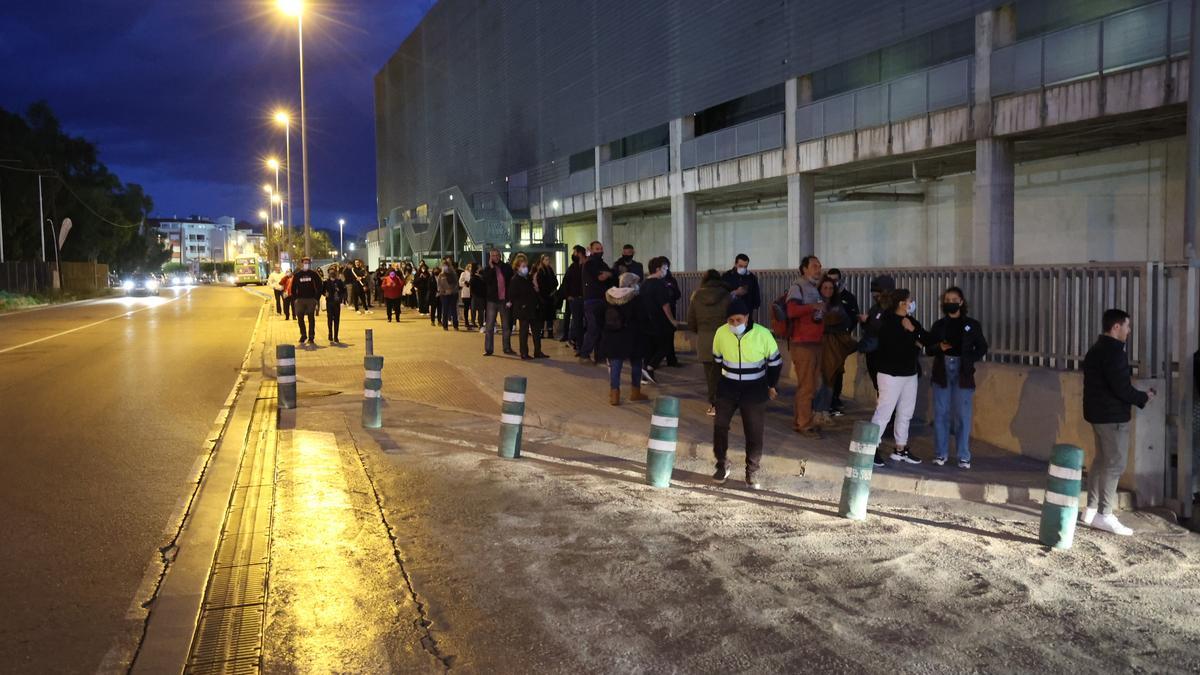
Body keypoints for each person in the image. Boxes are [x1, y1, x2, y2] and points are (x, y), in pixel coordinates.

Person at [1081, 309, 1154, 536]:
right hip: (1112, 418)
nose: (1129, 331)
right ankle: (1105, 514)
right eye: (1127, 326)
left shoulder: (1095, 349)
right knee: (1115, 464)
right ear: (1116, 327)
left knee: (1101, 461)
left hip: (1097, 415)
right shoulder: (1114, 353)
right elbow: (1121, 388)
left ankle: (1091, 510)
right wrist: (1144, 397)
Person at [712, 298, 783, 491]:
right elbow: (716, 361)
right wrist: (714, 393)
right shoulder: (720, 333)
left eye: (738, 320)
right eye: (731, 321)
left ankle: (752, 471)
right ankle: (721, 464)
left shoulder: (763, 334)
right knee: (720, 426)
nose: (735, 324)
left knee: (753, 431)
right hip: (728, 386)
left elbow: (775, 363)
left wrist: (771, 385)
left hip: (755, 388)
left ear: (747, 317)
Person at [869, 288, 934, 467]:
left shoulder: (910, 321)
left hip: (909, 373)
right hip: (890, 374)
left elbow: (926, 339)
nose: (912, 303)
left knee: (905, 413)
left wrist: (913, 332)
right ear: (901, 303)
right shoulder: (888, 322)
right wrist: (915, 341)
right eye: (909, 300)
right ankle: (870, 448)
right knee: (884, 412)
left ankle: (900, 448)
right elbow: (899, 347)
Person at [926, 287, 989, 469]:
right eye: (947, 299)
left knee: (962, 415)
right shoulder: (939, 325)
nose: (950, 302)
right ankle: (941, 453)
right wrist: (939, 347)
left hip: (963, 372)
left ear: (961, 302)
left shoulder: (972, 324)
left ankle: (963, 455)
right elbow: (929, 348)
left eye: (954, 299)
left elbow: (982, 347)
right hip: (942, 371)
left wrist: (969, 359)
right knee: (941, 413)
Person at [784, 255, 826, 439]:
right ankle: (804, 424)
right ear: (804, 269)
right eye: (815, 266)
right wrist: (813, 307)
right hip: (802, 342)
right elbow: (792, 311)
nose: (819, 269)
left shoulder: (812, 288)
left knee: (811, 383)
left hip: (814, 341)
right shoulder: (798, 286)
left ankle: (802, 420)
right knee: (807, 385)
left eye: (820, 266)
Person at [814, 276, 858, 428]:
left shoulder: (837, 304)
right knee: (821, 379)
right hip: (819, 346)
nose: (828, 291)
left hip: (834, 347)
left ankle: (825, 410)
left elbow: (846, 321)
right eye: (825, 288)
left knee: (830, 378)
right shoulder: (815, 303)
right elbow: (816, 324)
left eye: (831, 288)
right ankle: (817, 411)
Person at [687, 269, 731, 416]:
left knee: (710, 375)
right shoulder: (726, 295)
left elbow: (691, 321)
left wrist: (699, 331)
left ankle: (715, 405)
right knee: (725, 373)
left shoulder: (696, 296)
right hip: (724, 338)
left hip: (705, 339)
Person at [602, 272, 650, 405]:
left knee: (616, 365)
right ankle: (635, 392)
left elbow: (602, 315)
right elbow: (642, 317)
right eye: (636, 282)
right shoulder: (636, 298)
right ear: (631, 284)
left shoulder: (609, 297)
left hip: (613, 336)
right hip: (633, 336)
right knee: (636, 363)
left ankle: (614, 395)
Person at [825, 267, 860, 415]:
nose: (833, 283)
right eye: (830, 280)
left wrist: (846, 330)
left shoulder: (848, 297)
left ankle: (835, 398)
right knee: (827, 370)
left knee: (838, 369)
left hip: (841, 339)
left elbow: (854, 316)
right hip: (827, 340)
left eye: (835, 280)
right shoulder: (824, 297)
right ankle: (827, 400)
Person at [639, 257, 675, 384]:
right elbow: (665, 304)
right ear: (658, 269)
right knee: (665, 346)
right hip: (659, 320)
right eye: (665, 268)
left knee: (650, 347)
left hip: (646, 320)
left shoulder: (644, 284)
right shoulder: (660, 284)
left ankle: (646, 375)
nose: (666, 271)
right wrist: (672, 320)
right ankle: (650, 367)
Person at [579, 240, 614, 364]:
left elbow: (609, 276)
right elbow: (601, 277)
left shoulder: (602, 264)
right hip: (592, 301)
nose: (599, 251)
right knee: (593, 329)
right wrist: (608, 274)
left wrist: (608, 274)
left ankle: (600, 356)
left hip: (603, 300)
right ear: (591, 250)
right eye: (597, 249)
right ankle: (584, 355)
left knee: (602, 329)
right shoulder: (589, 264)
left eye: (601, 249)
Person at [508, 254, 548, 359]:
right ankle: (524, 353)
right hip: (523, 309)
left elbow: (534, 291)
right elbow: (513, 295)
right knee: (524, 332)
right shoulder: (515, 280)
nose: (525, 268)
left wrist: (535, 287)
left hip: (532, 308)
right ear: (517, 267)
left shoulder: (528, 278)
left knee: (536, 331)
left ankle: (538, 351)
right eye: (522, 266)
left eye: (525, 266)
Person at [483, 248, 516, 356]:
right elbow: (487, 281)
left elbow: (511, 282)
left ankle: (507, 348)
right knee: (489, 326)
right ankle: (488, 349)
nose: (495, 257)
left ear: (500, 256)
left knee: (506, 326)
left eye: (497, 255)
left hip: (504, 300)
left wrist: (510, 298)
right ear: (490, 257)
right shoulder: (487, 269)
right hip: (492, 301)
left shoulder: (506, 267)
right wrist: (492, 268)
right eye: (493, 255)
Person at [290, 256, 322, 347]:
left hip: (311, 299)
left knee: (311, 318)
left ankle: (311, 337)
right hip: (300, 300)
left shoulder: (313, 274)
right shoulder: (297, 275)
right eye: (304, 262)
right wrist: (295, 298)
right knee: (300, 318)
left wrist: (316, 298)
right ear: (301, 263)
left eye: (307, 263)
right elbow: (293, 288)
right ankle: (303, 335)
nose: (306, 264)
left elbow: (320, 286)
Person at [721, 253, 761, 321]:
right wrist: (735, 293)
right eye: (740, 266)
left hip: (747, 310)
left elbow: (756, 294)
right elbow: (721, 294)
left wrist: (755, 305)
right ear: (735, 264)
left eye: (745, 267)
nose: (743, 268)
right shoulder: (726, 276)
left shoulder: (751, 277)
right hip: (731, 311)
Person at [561, 245, 587, 345]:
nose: (573, 254)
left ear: (580, 253)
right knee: (577, 323)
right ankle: (579, 345)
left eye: (574, 252)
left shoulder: (587, 265)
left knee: (587, 323)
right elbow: (566, 282)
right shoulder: (572, 267)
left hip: (585, 299)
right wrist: (568, 296)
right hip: (575, 299)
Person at [661, 261, 682, 367]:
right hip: (660, 312)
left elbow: (678, 294)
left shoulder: (671, 280)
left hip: (671, 309)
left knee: (669, 335)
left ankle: (671, 359)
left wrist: (672, 288)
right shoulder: (656, 280)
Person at [534, 255, 558, 339]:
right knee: (543, 316)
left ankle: (550, 332)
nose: (548, 261)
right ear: (542, 261)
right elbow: (541, 285)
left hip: (549, 296)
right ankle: (541, 332)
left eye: (548, 259)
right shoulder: (541, 271)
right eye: (546, 260)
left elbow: (555, 281)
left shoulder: (550, 270)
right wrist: (548, 293)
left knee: (550, 316)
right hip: (543, 297)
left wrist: (552, 291)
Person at [322, 264, 346, 344]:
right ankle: (330, 334)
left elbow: (343, 291)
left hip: (336, 303)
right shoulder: (326, 282)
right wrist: (325, 294)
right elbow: (322, 291)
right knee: (329, 319)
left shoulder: (339, 282)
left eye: (333, 271)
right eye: (330, 272)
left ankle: (336, 336)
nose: (332, 273)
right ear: (328, 273)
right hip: (329, 303)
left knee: (336, 320)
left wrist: (342, 299)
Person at [437, 260, 460, 330]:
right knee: (445, 309)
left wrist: (451, 290)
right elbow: (439, 285)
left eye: (446, 266)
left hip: (453, 294)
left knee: (454, 310)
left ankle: (455, 325)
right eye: (444, 266)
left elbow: (456, 284)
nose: (445, 267)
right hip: (444, 295)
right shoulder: (441, 275)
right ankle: (445, 325)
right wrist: (444, 291)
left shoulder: (454, 274)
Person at [469, 264, 487, 332]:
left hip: (482, 296)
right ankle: (473, 322)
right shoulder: (473, 277)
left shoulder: (482, 276)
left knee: (481, 311)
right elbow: (472, 288)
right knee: (473, 310)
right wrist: (474, 295)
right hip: (476, 296)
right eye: (479, 267)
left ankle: (480, 324)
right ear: (476, 269)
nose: (481, 267)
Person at [459, 262, 474, 329]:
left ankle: (472, 321)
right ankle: (466, 322)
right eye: (469, 266)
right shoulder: (463, 273)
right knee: (466, 308)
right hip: (466, 293)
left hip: (473, 293)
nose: (470, 268)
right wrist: (466, 283)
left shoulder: (473, 274)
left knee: (473, 308)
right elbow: (460, 282)